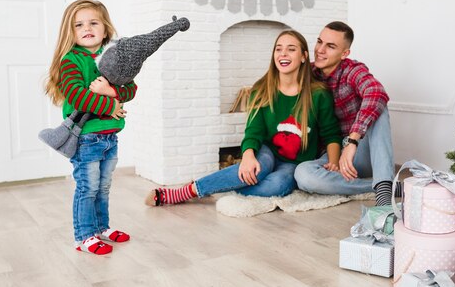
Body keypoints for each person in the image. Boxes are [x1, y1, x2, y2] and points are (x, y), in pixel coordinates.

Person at [144, 29, 342, 206]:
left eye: (291, 49)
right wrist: (248, 157)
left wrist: (333, 163)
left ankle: (220, 185)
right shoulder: (261, 90)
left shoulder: (318, 94)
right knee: (257, 169)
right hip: (267, 152)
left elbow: (331, 133)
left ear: (303, 57)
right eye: (278, 49)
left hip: (295, 163)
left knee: (278, 185)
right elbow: (253, 132)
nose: (283, 53)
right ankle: (186, 192)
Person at [44, 0, 135, 255]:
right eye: (79, 24)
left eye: (93, 22)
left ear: (105, 28)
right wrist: (110, 106)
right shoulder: (71, 61)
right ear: (70, 32)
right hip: (85, 138)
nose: (87, 28)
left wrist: (110, 91)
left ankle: (101, 228)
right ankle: (84, 236)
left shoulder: (113, 56)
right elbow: (76, 95)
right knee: (88, 187)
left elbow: (131, 88)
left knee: (104, 186)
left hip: (109, 137)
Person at [293, 21, 397, 206]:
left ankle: (383, 190)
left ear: (344, 53)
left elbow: (376, 92)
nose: (320, 50)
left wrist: (352, 142)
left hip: (359, 153)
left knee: (378, 103)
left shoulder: (352, 70)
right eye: (319, 42)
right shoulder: (306, 72)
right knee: (304, 176)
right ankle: (378, 187)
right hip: (330, 156)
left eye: (330, 46)